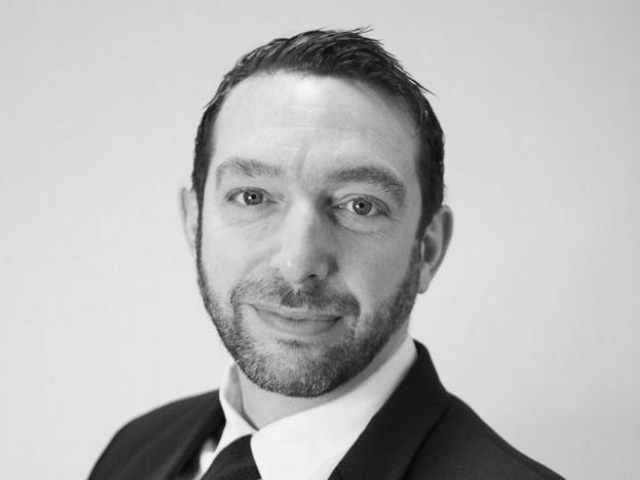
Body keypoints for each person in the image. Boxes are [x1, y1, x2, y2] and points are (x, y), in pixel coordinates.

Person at [88, 29, 563, 480]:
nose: (298, 263)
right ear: (194, 222)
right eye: (253, 197)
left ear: (428, 249)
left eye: (360, 205)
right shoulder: (134, 450)